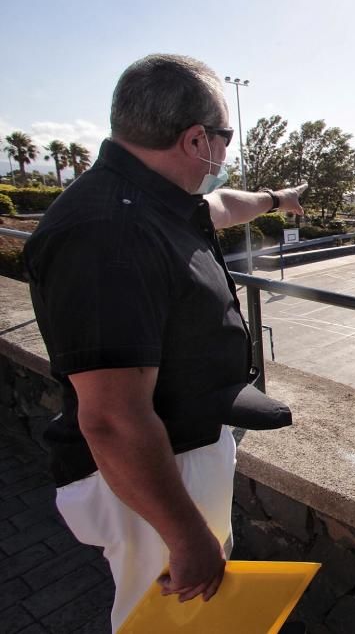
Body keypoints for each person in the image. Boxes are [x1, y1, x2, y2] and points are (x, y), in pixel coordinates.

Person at [23, 54, 306, 632]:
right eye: (224, 139)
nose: (226, 156)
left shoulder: (148, 199)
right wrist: (188, 536)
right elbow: (114, 419)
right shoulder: (108, 234)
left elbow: (222, 206)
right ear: (196, 138)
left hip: (173, 457)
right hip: (153, 476)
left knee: (192, 618)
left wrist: (278, 199)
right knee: (167, 619)